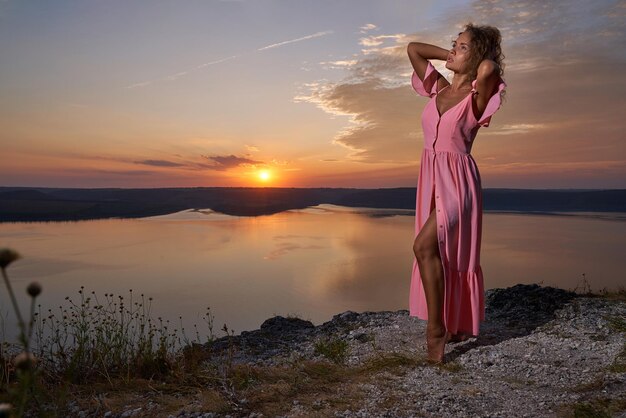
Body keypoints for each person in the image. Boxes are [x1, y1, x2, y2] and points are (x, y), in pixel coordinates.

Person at [406, 23, 506, 364]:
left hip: (458, 181)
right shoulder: (438, 89)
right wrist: (450, 53)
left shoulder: (476, 97)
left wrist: (479, 53)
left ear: (476, 56)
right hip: (431, 178)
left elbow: (490, 68)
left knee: (423, 246)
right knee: (437, 253)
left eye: (462, 47)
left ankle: (436, 329)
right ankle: (452, 324)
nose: (453, 50)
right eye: (454, 44)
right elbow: (414, 49)